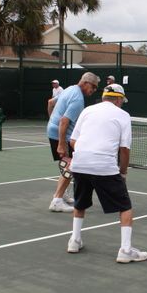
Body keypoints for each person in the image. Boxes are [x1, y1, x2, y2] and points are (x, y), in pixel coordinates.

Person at [67, 83, 147, 263]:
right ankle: (125, 250)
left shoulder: (87, 110)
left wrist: (86, 153)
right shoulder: (123, 115)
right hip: (104, 166)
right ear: (118, 100)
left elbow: (73, 141)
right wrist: (123, 173)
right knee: (125, 207)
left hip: (79, 164)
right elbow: (124, 149)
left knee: (80, 203)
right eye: (122, 101)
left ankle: (74, 240)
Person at [46, 72, 100, 212]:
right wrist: (61, 144)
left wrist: (52, 121)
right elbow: (64, 121)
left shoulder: (69, 89)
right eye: (93, 87)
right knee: (71, 167)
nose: (94, 90)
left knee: (67, 166)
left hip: (54, 131)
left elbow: (50, 103)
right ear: (86, 83)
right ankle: (57, 201)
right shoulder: (78, 99)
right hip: (62, 136)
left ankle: (61, 195)